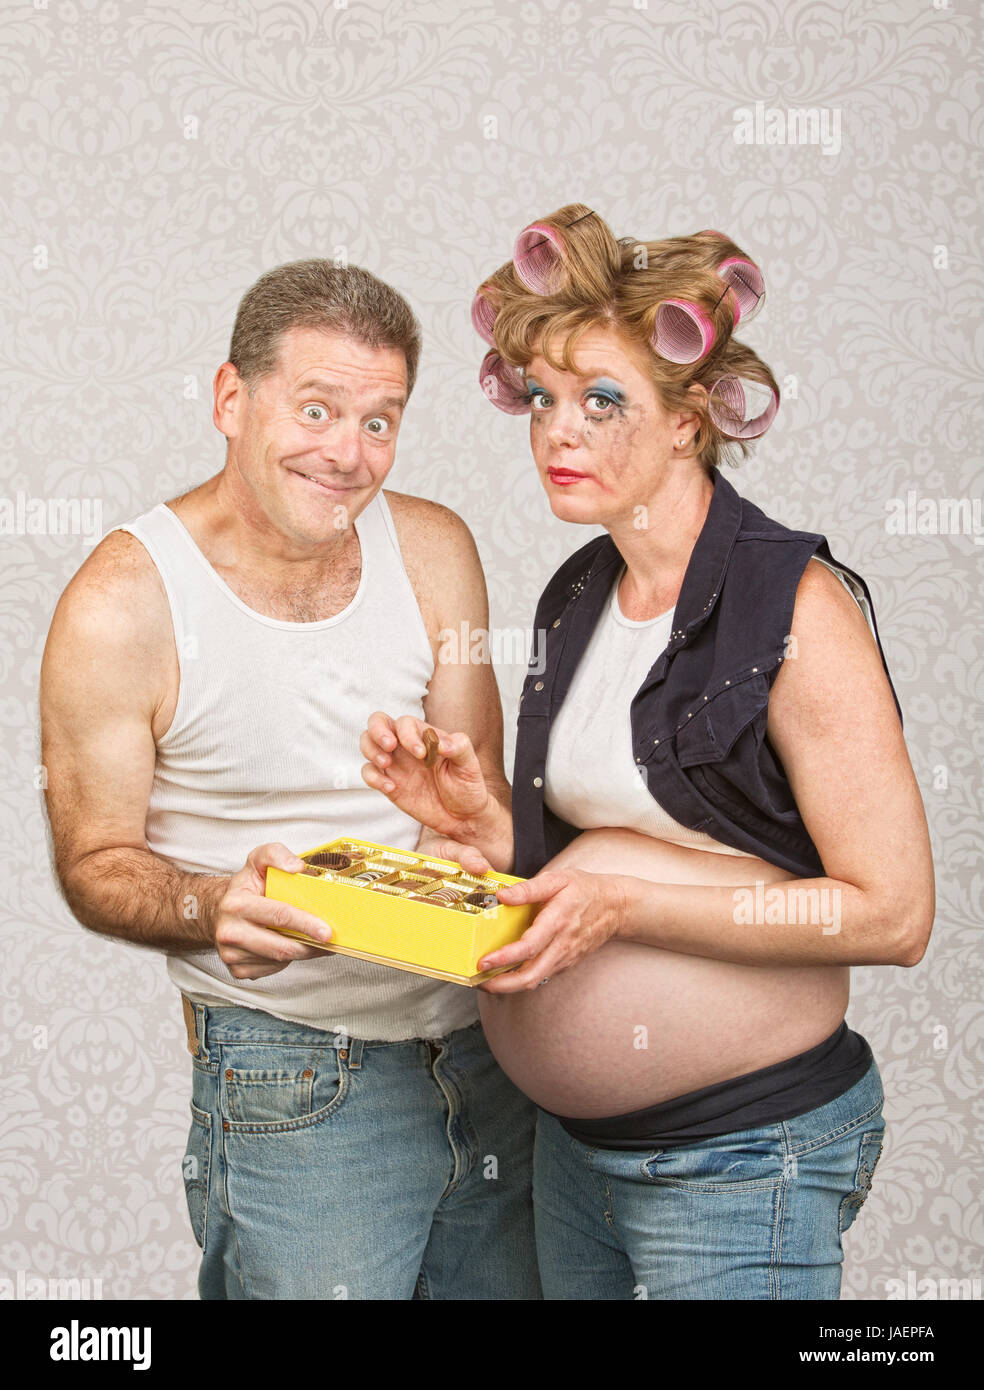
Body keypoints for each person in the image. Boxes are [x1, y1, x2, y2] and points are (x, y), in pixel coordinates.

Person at [359, 205, 936, 1300]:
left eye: (601, 400)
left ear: (690, 418)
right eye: (541, 399)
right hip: (578, 1156)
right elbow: (576, 867)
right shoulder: (580, 592)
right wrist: (482, 827)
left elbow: (894, 915)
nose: (556, 432)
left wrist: (625, 906)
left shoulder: (794, 608)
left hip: (739, 1158)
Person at [38, 259, 541, 1301]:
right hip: (292, 1073)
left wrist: (475, 822)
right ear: (232, 399)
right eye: (316, 408)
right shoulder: (125, 600)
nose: (348, 454)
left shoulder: (436, 548)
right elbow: (94, 862)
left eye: (379, 421)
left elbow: (480, 804)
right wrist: (211, 902)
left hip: (490, 1053)